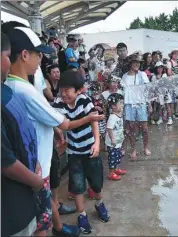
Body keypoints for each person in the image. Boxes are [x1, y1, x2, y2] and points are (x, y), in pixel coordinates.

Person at [4, 26, 104, 236]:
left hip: (33, 164)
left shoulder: (11, 86)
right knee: (42, 221)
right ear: (24, 55)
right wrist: (88, 118)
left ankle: (59, 226)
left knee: (44, 211)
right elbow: (64, 123)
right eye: (38, 54)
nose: (40, 60)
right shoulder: (26, 91)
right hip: (36, 168)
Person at [52, 70, 110, 234]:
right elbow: (58, 120)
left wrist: (97, 144)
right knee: (77, 186)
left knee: (96, 183)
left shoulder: (84, 100)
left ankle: (99, 204)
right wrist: (57, 129)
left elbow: (94, 122)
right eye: (61, 90)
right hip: (74, 153)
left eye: (67, 90)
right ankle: (82, 215)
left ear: (78, 90)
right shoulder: (58, 103)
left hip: (91, 150)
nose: (63, 94)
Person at [1, 32, 44, 237]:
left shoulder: (6, 90)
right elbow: (6, 163)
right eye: (7, 56)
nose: (9, 62)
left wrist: (34, 161)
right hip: (12, 204)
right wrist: (36, 182)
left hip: (25, 191)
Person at [121, 54, 152, 160]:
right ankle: (133, 149)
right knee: (131, 129)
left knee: (144, 128)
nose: (137, 64)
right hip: (129, 105)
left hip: (141, 104)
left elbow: (147, 90)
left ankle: (146, 147)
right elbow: (123, 93)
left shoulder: (142, 74)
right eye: (135, 62)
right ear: (130, 64)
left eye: (138, 63)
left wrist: (149, 104)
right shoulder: (124, 77)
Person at [105, 93, 126, 180]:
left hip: (118, 142)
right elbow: (109, 129)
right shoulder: (112, 117)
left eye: (122, 103)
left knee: (117, 156)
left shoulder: (118, 115)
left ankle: (116, 169)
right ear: (113, 106)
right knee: (112, 158)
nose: (122, 105)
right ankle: (111, 173)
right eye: (120, 103)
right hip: (112, 143)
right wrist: (113, 139)